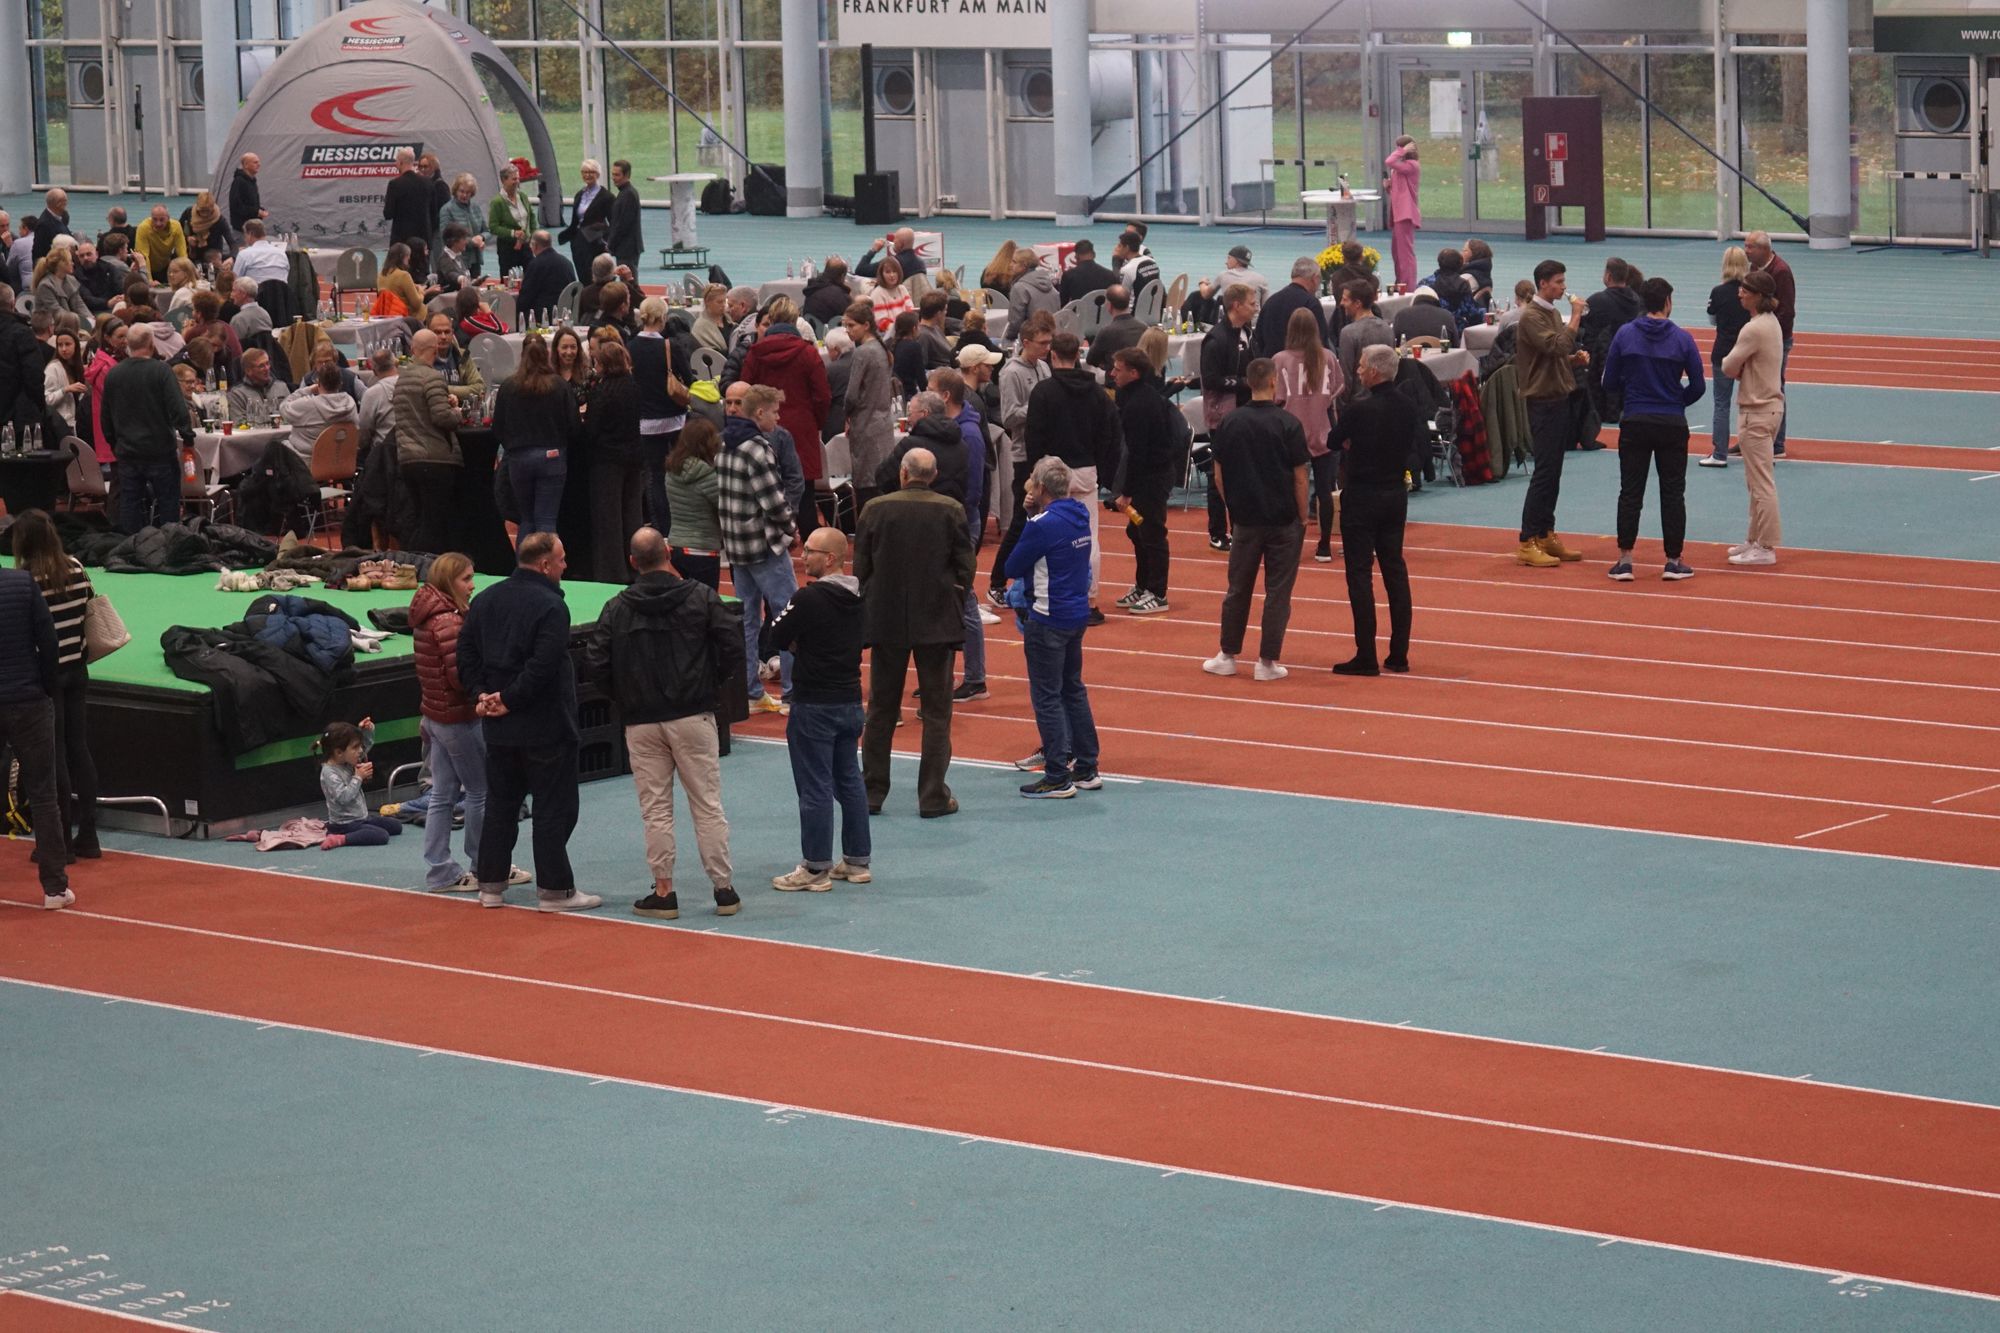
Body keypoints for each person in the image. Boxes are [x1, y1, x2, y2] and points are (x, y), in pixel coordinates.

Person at [585, 527, 740, 921]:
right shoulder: (701, 597)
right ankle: (723, 889)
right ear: (668, 553)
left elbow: (597, 663)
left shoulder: (616, 608)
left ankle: (664, 891)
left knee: (655, 810)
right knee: (707, 805)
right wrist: (709, 684)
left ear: (632, 561)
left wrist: (625, 697)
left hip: (642, 721)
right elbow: (732, 645)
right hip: (693, 715)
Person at [457, 534, 597, 910]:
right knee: (553, 809)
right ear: (545, 564)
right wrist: (508, 699)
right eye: (561, 560)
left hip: (500, 729)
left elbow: (465, 652)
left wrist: (482, 694)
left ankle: (490, 886)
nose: (565, 565)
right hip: (546, 727)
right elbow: (543, 665)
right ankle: (555, 890)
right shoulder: (552, 606)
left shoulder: (485, 600)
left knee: (500, 806)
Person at [856, 447, 973, 818]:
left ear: (903, 474)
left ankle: (871, 792)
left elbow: (861, 568)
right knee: (937, 712)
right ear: (933, 475)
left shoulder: (875, 509)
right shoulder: (951, 510)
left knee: (881, 709)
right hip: (937, 622)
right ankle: (933, 796)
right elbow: (965, 567)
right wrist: (952, 598)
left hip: (886, 621)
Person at [766, 527, 871, 890]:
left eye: (809, 551)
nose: (802, 555)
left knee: (814, 786)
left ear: (829, 559)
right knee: (850, 781)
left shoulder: (808, 598)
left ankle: (815, 868)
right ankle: (857, 861)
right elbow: (864, 638)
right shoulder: (859, 597)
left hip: (814, 705)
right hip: (850, 701)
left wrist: (802, 644)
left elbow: (775, 635)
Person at [1203, 358, 1308, 682]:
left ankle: (1227, 655)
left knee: (1238, 588)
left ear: (1249, 382)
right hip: (1283, 519)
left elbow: (1218, 475)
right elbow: (1300, 478)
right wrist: (1303, 516)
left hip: (1245, 520)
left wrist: (1233, 506)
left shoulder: (1230, 423)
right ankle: (1267, 662)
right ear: (1274, 381)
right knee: (1278, 592)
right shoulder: (1289, 424)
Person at [1603, 276, 1704, 583]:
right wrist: (1677, 401)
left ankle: (1625, 561)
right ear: (1668, 303)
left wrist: (1631, 395)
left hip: (1635, 420)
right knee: (1673, 492)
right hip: (1671, 423)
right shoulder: (1683, 338)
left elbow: (1609, 381)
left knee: (1630, 491)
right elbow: (1698, 385)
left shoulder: (1625, 334)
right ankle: (1673, 561)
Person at [11, 510, 98, 858]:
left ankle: (60, 841)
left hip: (47, 676)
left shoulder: (26, 580)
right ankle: (89, 835)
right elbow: (90, 608)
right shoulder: (76, 567)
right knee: (80, 749)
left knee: (55, 756)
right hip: (78, 669)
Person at [1329, 345, 1418, 675]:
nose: (1358, 370)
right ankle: (1399, 653)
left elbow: (1333, 440)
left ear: (1375, 372)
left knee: (1359, 574)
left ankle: (1366, 654)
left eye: (1362, 365)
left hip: (1362, 496)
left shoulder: (1359, 409)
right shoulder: (1408, 406)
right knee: (1395, 569)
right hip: (1395, 495)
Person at [1025, 331, 1121, 625]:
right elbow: (1110, 435)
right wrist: (1101, 468)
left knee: (1047, 534)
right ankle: (1089, 602)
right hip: (1085, 470)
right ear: (1078, 355)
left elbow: (1034, 436)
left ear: (1052, 355)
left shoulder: (1043, 392)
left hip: (1051, 470)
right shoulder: (1097, 394)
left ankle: (1047, 598)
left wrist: (1035, 474)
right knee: (1088, 536)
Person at [719, 384, 798, 713]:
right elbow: (774, 503)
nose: (778, 418)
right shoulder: (757, 449)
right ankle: (793, 693)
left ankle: (750, 692)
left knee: (748, 621)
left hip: (736, 546)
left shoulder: (724, 444)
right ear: (760, 412)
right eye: (775, 412)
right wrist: (791, 528)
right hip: (764, 547)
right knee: (790, 615)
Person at [0, 558, 73, 906]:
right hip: (29, 700)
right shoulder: (23, 584)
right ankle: (55, 888)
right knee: (44, 796)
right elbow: (49, 642)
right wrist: (46, 687)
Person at [1513, 259, 1590, 569]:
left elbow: (1553, 356)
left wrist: (1572, 361)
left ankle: (1545, 534)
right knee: (1544, 472)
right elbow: (1556, 346)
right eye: (1558, 282)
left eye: (1563, 281)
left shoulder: (1552, 313)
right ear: (1543, 283)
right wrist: (1576, 317)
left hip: (1558, 397)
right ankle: (1526, 540)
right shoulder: (1532, 316)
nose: (1563, 287)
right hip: (1542, 402)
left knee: (1554, 472)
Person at [99, 324, 193, 532]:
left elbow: (105, 416)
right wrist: (188, 438)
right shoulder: (162, 371)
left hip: (128, 452)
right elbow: (178, 409)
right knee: (168, 504)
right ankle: (169, 544)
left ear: (128, 344)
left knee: (129, 504)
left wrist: (115, 443)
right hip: (160, 451)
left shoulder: (114, 374)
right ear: (151, 343)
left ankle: (131, 545)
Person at [1721, 270, 1785, 567]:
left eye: (1745, 290)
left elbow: (1728, 365)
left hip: (1757, 411)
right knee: (1755, 482)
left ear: (1758, 295)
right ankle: (1754, 539)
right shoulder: (1771, 322)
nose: (1740, 293)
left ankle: (1766, 546)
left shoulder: (1754, 328)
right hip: (1769, 408)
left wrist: (1738, 367)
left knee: (1761, 484)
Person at [988, 311, 1054, 597]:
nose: (1047, 348)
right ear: (1026, 342)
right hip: (1023, 455)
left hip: (1045, 453)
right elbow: (1009, 417)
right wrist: (1039, 405)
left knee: (1043, 520)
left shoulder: (1044, 368)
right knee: (1020, 520)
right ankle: (996, 582)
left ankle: (1032, 581)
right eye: (1042, 343)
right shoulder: (1011, 373)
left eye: (1049, 343)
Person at [742, 297, 832, 505]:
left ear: (772, 319)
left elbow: (746, 392)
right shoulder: (808, 353)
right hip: (802, 429)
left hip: (764, 429)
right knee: (805, 497)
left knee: (766, 494)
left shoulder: (755, 353)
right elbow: (823, 396)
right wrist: (815, 422)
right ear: (795, 320)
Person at [1272, 306, 1343, 563]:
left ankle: (1290, 544)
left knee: (1290, 490)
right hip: (1322, 431)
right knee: (1325, 491)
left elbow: (1276, 398)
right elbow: (1337, 388)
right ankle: (1324, 546)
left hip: (1291, 434)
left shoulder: (1280, 360)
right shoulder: (1328, 357)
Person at [1109, 347, 1174, 615]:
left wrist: (1127, 492)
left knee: (1152, 533)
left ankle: (1157, 593)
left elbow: (1138, 452)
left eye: (1118, 369)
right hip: (1148, 474)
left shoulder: (1140, 404)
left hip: (1153, 477)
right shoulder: (1134, 396)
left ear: (1133, 373)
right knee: (1137, 532)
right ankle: (1143, 584)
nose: (1112, 373)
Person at [493, 332, 575, 544]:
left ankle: (524, 564)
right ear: (547, 355)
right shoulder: (559, 385)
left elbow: (498, 426)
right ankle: (549, 564)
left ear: (522, 355)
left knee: (527, 519)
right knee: (546, 520)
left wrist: (513, 448)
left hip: (519, 458)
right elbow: (573, 424)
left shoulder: (508, 386)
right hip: (552, 456)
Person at [394, 329, 464, 555]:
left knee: (418, 517)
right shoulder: (432, 377)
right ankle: (428, 565)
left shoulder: (402, 379)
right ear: (435, 350)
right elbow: (441, 418)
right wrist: (456, 412)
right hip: (434, 458)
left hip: (408, 458)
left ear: (413, 349)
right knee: (435, 522)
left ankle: (412, 562)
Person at [1199, 283, 1258, 550]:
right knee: (1220, 474)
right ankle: (1217, 531)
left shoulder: (1247, 332)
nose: (1255, 308)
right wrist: (1244, 383)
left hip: (1246, 412)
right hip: (1223, 415)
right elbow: (1211, 379)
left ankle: (1240, 528)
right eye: (1252, 303)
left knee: (1243, 473)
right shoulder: (1216, 339)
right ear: (1236, 305)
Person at [631, 295, 692, 531]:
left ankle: (663, 529)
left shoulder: (630, 346)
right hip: (674, 420)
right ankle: (683, 523)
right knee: (680, 473)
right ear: (663, 318)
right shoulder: (669, 346)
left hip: (646, 423)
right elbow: (689, 378)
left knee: (655, 477)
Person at [1742, 230, 1796, 458]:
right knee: (1755, 386)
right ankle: (1753, 437)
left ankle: (1777, 443)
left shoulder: (1781, 271)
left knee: (1775, 388)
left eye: (1750, 247)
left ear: (1764, 249)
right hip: (1758, 336)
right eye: (1745, 246)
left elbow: (1787, 310)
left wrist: (1771, 334)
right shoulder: (1754, 269)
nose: (1746, 251)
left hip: (1777, 339)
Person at [314, 720, 404, 849]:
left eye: (359, 746)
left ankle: (361, 829)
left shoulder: (346, 760)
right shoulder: (329, 772)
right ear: (338, 752)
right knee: (381, 835)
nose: (360, 751)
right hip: (343, 825)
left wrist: (366, 732)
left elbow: (364, 747)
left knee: (396, 826)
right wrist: (358, 777)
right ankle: (340, 838)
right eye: (355, 747)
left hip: (361, 818)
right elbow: (343, 798)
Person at [842, 301, 896, 513]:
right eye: (845, 326)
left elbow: (851, 394)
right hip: (883, 423)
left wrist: (847, 415)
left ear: (866, 325)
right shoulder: (882, 349)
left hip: (865, 423)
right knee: (881, 480)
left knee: (866, 484)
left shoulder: (863, 352)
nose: (848, 331)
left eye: (851, 325)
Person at [1702, 246, 1753, 467]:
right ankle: (1756, 451)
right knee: (1752, 404)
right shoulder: (1752, 293)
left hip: (1723, 352)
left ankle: (1719, 454)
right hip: (1748, 352)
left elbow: (1712, 320)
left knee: (1722, 404)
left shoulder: (1718, 292)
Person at [1579, 257, 1642, 433]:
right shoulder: (1635, 300)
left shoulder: (1596, 301)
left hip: (1598, 360)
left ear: (1608, 276)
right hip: (1628, 357)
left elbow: (1581, 327)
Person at [665, 416, 724, 588]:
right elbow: (724, 508)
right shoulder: (708, 476)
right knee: (706, 600)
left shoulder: (671, 472)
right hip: (703, 549)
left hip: (677, 546)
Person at [281, 364, 359, 459]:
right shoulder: (350, 403)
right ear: (340, 383)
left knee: (275, 446)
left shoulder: (308, 404)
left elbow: (283, 408)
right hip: (342, 460)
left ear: (318, 383)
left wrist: (308, 390)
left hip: (307, 461)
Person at [559, 158, 612, 279]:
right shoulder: (579, 195)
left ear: (598, 174)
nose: (587, 175)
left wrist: (607, 242)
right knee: (581, 273)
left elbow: (613, 222)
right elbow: (576, 221)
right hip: (579, 242)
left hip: (595, 242)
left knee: (595, 275)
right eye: (585, 172)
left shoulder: (606, 196)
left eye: (591, 172)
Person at [516, 231, 577, 324]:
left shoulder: (536, 264)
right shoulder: (567, 262)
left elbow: (526, 296)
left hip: (545, 315)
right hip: (567, 312)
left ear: (534, 245)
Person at [1385, 136, 1421, 290]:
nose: (1397, 151)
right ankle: (1400, 282)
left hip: (1406, 214)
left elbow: (1389, 161)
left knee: (1405, 254)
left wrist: (1402, 151)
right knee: (1397, 252)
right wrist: (1389, 187)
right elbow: (1400, 191)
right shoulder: (1401, 167)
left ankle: (1408, 286)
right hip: (1398, 213)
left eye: (1399, 147)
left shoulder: (1412, 165)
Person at [437, 174, 488, 282]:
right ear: (455, 190)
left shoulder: (476, 207)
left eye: (468, 192)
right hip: (456, 260)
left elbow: (487, 231)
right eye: (461, 191)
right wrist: (472, 241)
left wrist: (481, 238)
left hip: (475, 260)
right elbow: (445, 236)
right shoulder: (446, 210)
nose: (464, 195)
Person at [488, 164, 534, 279]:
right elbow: (493, 227)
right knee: (508, 279)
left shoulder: (523, 196)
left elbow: (532, 217)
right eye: (514, 179)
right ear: (504, 180)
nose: (517, 181)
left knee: (532, 276)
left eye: (518, 178)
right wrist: (513, 233)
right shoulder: (497, 202)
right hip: (507, 248)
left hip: (525, 245)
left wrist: (533, 235)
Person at [381, 148, 433, 249]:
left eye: (396, 161)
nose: (395, 164)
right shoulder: (427, 182)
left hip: (402, 240)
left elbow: (388, 214)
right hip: (423, 239)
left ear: (401, 162)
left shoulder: (395, 184)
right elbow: (433, 211)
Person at [1086, 284, 1146, 370]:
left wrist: (1106, 365)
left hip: (1113, 376)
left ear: (1109, 305)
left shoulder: (1107, 332)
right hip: (1137, 375)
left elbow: (1091, 360)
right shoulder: (1143, 328)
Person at [1006, 248, 1060, 337]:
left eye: (1014, 262)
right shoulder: (1050, 286)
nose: (1010, 265)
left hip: (1032, 337)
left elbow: (1015, 322)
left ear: (1024, 266)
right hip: (1051, 336)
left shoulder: (1019, 288)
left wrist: (1008, 337)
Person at [43, 329, 86, 439]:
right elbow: (46, 400)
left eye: (67, 344)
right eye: (60, 345)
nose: (64, 349)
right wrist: (65, 390)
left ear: (76, 345)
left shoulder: (77, 367)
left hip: (77, 423)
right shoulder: (53, 368)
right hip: (60, 426)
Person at [357, 346, 400, 457]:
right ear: (395, 364)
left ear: (374, 371)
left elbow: (364, 433)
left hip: (384, 454)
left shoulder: (371, 394)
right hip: (411, 450)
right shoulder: (409, 384)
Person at [31, 247, 92, 325]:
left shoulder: (71, 280)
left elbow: (78, 304)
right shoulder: (45, 285)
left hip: (68, 321)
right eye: (70, 261)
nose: (73, 263)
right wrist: (78, 321)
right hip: (49, 325)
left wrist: (90, 318)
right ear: (61, 264)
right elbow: (56, 311)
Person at [228, 348, 289, 421]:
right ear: (248, 371)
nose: (267, 368)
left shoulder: (281, 387)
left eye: (267, 363)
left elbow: (291, 416)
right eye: (261, 366)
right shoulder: (237, 394)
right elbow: (239, 423)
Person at [373, 242, 427, 322]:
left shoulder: (380, 275)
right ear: (403, 257)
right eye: (408, 256)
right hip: (408, 317)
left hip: (390, 315)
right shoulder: (404, 275)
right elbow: (416, 304)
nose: (409, 258)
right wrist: (422, 292)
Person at [606, 159, 643, 275]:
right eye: (613, 174)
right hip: (626, 247)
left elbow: (622, 224)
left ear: (626, 175)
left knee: (629, 281)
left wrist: (610, 243)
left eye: (617, 175)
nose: (613, 178)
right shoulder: (625, 193)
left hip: (627, 248)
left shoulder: (628, 194)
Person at [1055, 238, 1114, 304]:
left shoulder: (1068, 275)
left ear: (1076, 257)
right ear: (1094, 255)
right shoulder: (1110, 275)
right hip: (1102, 310)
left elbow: (1063, 302)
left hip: (1078, 310)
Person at [857, 226, 926, 279]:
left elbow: (860, 270)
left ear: (900, 244)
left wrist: (873, 250)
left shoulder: (892, 263)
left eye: (895, 240)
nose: (893, 242)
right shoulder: (921, 263)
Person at [181, 192, 232, 264]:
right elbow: (178, 232)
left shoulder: (220, 220)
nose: (204, 214)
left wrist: (232, 258)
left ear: (213, 208)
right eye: (202, 210)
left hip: (212, 252)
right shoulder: (188, 213)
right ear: (197, 207)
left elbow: (232, 243)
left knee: (213, 257)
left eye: (207, 211)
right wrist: (187, 238)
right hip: (191, 250)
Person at [868, 257, 913, 337]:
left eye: (894, 271)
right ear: (881, 274)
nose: (892, 275)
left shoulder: (902, 288)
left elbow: (910, 311)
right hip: (888, 335)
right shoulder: (877, 293)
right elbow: (881, 321)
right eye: (888, 272)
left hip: (905, 332)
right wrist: (901, 331)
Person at [803, 258, 854, 325]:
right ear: (842, 276)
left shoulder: (812, 287)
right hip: (830, 329)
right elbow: (852, 315)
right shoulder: (839, 295)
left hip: (810, 327)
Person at [228, 152, 267, 233]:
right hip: (242, 229)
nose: (259, 165)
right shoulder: (239, 182)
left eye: (258, 162)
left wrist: (260, 210)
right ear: (246, 165)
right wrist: (256, 212)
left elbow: (250, 203)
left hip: (253, 229)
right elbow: (236, 206)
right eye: (255, 162)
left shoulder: (252, 182)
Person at [31, 189, 73, 261]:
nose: (66, 204)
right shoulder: (44, 224)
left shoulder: (61, 218)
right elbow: (39, 252)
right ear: (58, 203)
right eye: (65, 201)